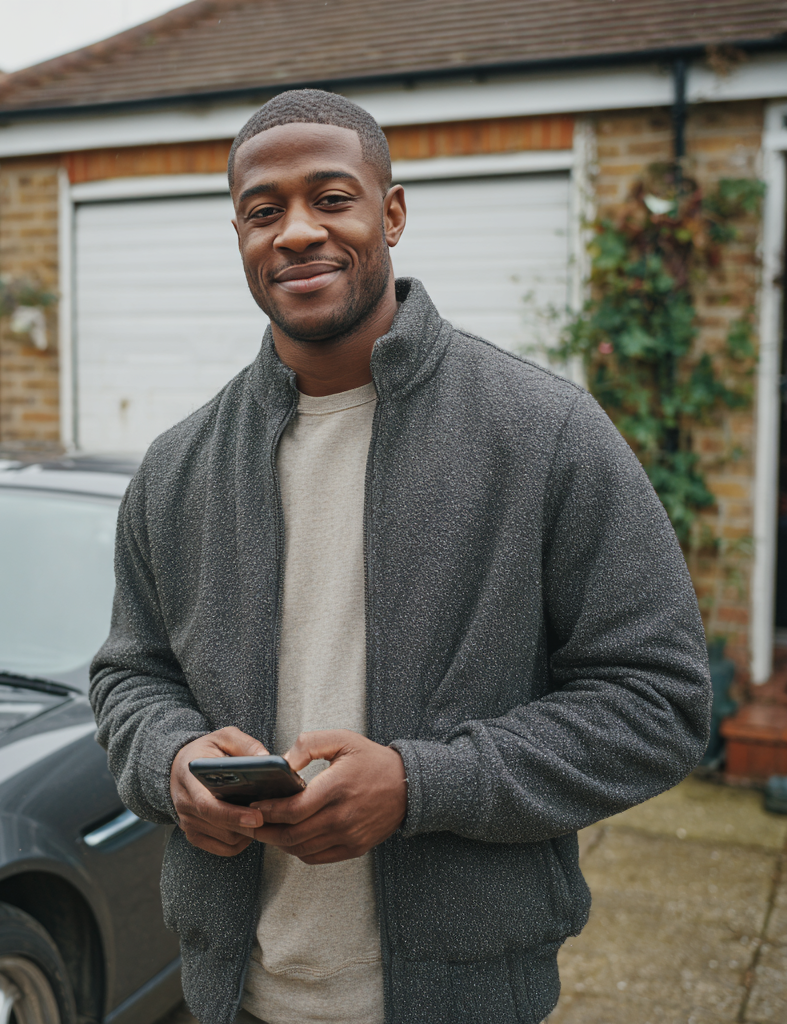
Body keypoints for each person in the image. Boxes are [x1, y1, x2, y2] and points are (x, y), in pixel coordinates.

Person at [89, 89, 710, 1024]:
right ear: (240, 236)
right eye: (264, 210)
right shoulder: (178, 467)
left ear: (392, 213)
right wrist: (170, 764)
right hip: (233, 993)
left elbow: (658, 700)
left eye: (331, 198)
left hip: (465, 998)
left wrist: (421, 785)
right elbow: (129, 676)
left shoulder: (544, 435)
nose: (298, 231)